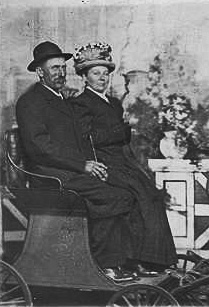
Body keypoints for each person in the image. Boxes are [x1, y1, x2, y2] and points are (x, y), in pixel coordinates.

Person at [16, 41, 139, 282]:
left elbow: (80, 141)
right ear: (40, 72)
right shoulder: (31, 102)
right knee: (116, 197)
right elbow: (41, 147)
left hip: (69, 171)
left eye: (63, 68)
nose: (60, 73)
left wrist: (94, 164)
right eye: (54, 68)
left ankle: (112, 261)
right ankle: (104, 266)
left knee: (125, 190)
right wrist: (83, 165)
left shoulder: (60, 99)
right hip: (51, 176)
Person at [70, 42, 177, 273]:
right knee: (136, 196)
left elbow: (121, 140)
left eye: (106, 73)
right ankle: (135, 260)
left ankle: (149, 260)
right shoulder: (80, 103)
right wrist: (122, 132)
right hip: (104, 164)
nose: (102, 78)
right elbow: (86, 139)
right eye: (96, 73)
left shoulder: (115, 104)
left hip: (122, 162)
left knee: (152, 196)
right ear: (85, 77)